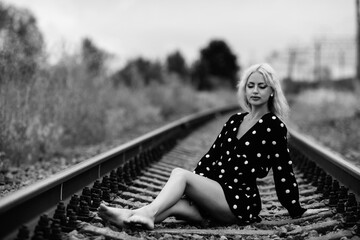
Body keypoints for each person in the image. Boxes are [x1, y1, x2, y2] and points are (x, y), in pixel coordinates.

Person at [98, 63, 309, 230]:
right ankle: (129, 218)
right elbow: (211, 156)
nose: (255, 91)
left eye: (262, 86)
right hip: (216, 195)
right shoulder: (235, 120)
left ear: (272, 91)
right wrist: (193, 189)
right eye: (250, 85)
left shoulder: (274, 126)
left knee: (180, 175)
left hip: (240, 202)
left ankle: (144, 213)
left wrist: (296, 209)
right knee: (175, 205)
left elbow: (284, 171)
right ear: (244, 89)